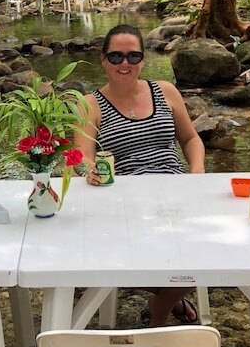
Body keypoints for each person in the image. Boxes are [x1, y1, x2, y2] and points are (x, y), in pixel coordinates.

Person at [75, 23, 205, 327]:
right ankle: (165, 302)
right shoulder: (89, 104)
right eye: (117, 56)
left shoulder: (166, 91)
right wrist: (88, 170)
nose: (125, 64)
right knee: (168, 256)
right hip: (125, 202)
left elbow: (191, 139)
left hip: (176, 194)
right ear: (103, 60)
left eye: (133, 57)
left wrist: (197, 171)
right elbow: (81, 155)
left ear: (143, 60)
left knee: (205, 250)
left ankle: (159, 305)